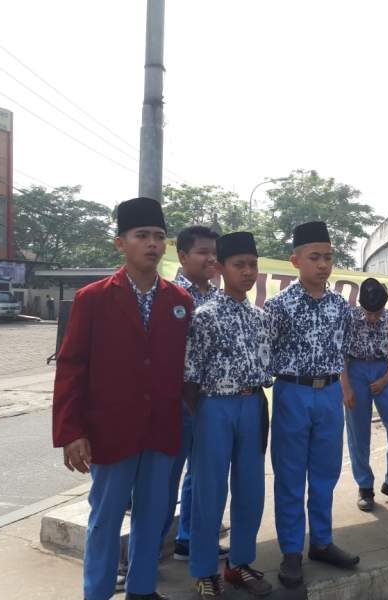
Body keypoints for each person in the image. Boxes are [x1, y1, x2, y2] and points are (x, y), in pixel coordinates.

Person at [53, 196, 193, 600]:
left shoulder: (180, 302)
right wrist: (71, 431)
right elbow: (72, 366)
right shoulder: (93, 298)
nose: (152, 243)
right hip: (111, 430)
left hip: (161, 429)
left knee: (153, 516)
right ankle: (97, 592)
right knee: (106, 517)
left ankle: (141, 589)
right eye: (142, 235)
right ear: (120, 243)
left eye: (159, 236)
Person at [264, 221, 359, 588]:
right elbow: (267, 352)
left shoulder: (340, 306)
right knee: (290, 475)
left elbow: (343, 351)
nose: (323, 265)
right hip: (293, 392)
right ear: (295, 261)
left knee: (325, 473)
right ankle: (291, 550)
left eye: (328, 258)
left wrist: (344, 387)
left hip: (330, 394)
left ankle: (321, 541)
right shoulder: (278, 306)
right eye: (314, 257)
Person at [183, 231, 273, 598]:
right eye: (239, 265)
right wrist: (202, 414)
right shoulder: (204, 316)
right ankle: (204, 569)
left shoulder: (260, 317)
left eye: (253, 265)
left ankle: (240, 564)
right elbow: (190, 375)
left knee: (251, 488)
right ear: (220, 268)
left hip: (253, 404)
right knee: (210, 490)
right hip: (214, 407)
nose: (248, 272)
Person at [160, 225, 226, 564]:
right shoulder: (167, 296)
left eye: (215, 253)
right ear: (183, 256)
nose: (211, 259)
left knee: (202, 478)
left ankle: (190, 541)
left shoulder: (219, 298)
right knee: (164, 482)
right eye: (203, 252)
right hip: (175, 404)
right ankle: (146, 554)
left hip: (211, 403)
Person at [343, 277, 388, 512]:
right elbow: (341, 354)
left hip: (382, 370)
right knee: (359, 433)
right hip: (355, 370)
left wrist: (385, 378)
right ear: (361, 305)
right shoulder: (350, 318)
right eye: (368, 312)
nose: (372, 317)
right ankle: (365, 486)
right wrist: (346, 387)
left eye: (377, 313)